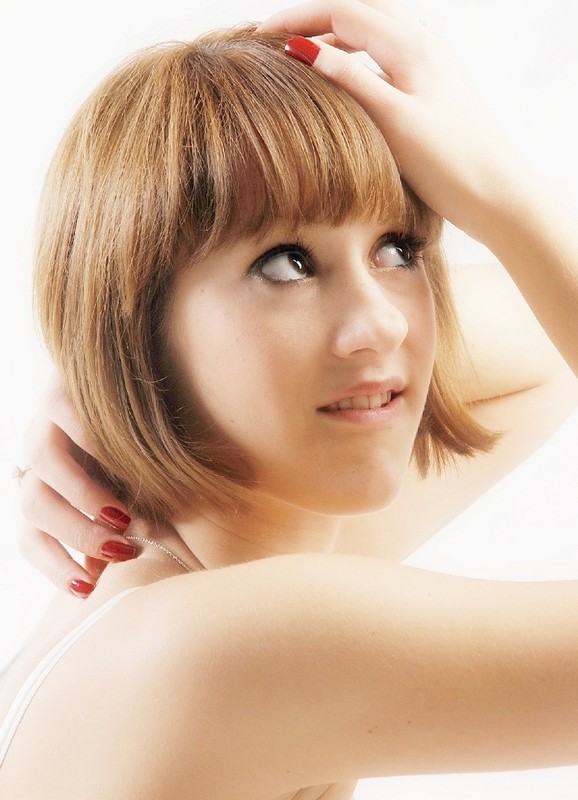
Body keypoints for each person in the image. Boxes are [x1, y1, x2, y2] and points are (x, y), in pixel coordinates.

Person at [2, 1, 578, 797]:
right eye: (285, 264)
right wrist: (496, 191)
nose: (382, 323)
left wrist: (120, 380)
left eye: (398, 247)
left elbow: (541, 354)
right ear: (141, 318)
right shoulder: (236, 645)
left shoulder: (163, 590)